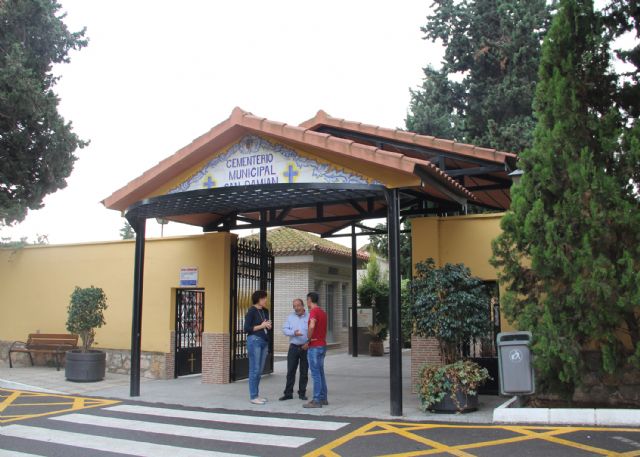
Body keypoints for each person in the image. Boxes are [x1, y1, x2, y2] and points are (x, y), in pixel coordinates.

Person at [243, 290, 272, 405]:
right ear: (258, 299)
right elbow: (247, 328)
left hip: (264, 341)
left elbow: (265, 324)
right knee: (254, 369)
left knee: (259, 370)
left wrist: (268, 325)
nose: (266, 300)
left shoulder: (265, 311)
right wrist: (262, 325)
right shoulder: (251, 311)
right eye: (264, 298)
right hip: (254, 340)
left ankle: (257, 395)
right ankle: (253, 396)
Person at [280, 298, 309, 401]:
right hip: (293, 347)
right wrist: (293, 333)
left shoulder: (309, 316)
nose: (296, 308)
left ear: (303, 305)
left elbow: (313, 331)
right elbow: (284, 329)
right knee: (290, 371)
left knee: (304, 372)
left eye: (298, 305)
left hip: (305, 348)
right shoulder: (290, 317)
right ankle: (288, 393)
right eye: (294, 306)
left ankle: (302, 393)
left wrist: (308, 343)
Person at [303, 291, 328, 408]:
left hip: (315, 346)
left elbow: (312, 325)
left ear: (309, 300)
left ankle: (316, 400)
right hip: (322, 345)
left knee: (315, 374)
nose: (306, 302)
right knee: (321, 373)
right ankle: (323, 398)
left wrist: (308, 337)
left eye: (307, 300)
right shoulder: (323, 312)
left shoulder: (313, 311)